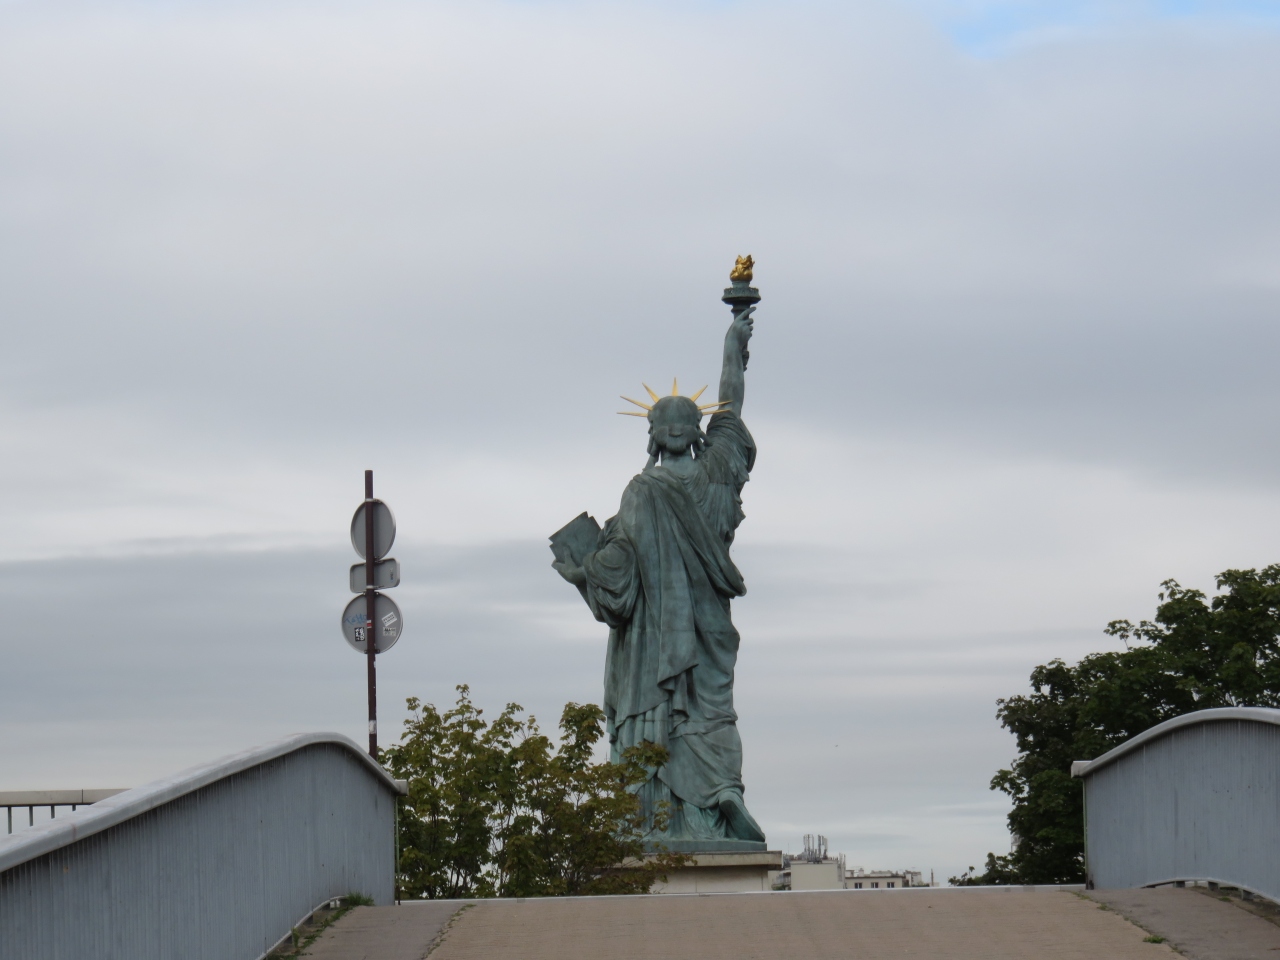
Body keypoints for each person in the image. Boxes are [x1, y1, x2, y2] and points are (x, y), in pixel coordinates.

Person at [553, 305, 765, 845]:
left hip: (651, 645)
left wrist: (582, 571)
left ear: (652, 437)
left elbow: (616, 581)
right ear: (696, 432)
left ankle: (652, 818)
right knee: (712, 711)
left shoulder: (640, 492)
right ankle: (720, 793)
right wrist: (734, 346)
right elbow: (731, 406)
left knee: (656, 712)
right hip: (708, 630)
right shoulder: (718, 476)